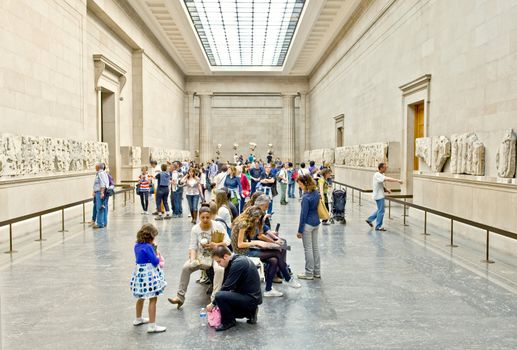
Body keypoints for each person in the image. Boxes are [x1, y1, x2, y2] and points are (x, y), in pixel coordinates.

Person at [168, 206, 230, 308]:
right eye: (203, 217)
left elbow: (228, 241)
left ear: (211, 217)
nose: (205, 220)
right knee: (186, 268)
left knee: (219, 270)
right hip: (201, 256)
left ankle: (215, 299)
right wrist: (193, 260)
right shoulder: (195, 229)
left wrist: (216, 245)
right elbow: (193, 247)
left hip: (215, 255)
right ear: (199, 217)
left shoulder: (217, 226)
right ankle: (180, 297)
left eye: (207, 217)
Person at [232, 206, 301, 297]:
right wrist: (257, 242)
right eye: (257, 218)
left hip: (248, 248)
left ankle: (269, 289)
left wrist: (272, 242)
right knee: (277, 252)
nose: (257, 221)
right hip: (242, 252)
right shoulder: (243, 224)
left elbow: (258, 235)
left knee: (274, 260)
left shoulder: (248, 222)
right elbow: (240, 244)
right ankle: (287, 278)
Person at [207, 246, 262, 331]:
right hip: (250, 297)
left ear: (225, 256)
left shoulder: (238, 263)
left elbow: (227, 286)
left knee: (219, 296)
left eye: (219, 261)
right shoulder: (235, 261)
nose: (218, 264)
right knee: (222, 304)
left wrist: (213, 303)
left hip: (250, 298)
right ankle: (250, 313)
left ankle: (229, 322)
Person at [130, 224, 167, 333]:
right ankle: (152, 325)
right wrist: (157, 255)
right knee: (153, 298)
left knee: (140, 297)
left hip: (139, 274)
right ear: (150, 237)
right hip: (149, 275)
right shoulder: (149, 247)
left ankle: (138, 318)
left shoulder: (136, 245)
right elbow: (155, 262)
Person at [296, 175, 321, 280]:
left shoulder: (305, 198)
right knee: (315, 248)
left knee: (308, 249)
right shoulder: (316, 193)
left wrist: (299, 230)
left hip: (308, 225)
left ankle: (309, 273)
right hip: (316, 222)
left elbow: (303, 215)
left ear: (305, 184)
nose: (299, 186)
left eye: (300, 184)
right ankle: (317, 271)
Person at [366, 163, 403, 231]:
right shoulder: (377, 174)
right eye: (385, 168)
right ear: (381, 168)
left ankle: (369, 219)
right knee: (381, 211)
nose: (386, 169)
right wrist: (397, 180)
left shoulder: (380, 175)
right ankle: (378, 226)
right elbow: (387, 179)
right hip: (379, 196)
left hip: (379, 195)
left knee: (380, 209)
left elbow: (380, 185)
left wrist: (386, 190)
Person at [92, 162, 109, 228]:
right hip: (102, 192)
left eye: (96, 166)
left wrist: (101, 192)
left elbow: (102, 183)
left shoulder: (100, 174)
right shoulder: (103, 173)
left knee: (99, 208)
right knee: (103, 207)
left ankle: (100, 223)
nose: (95, 167)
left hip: (100, 192)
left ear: (99, 167)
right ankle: (104, 222)